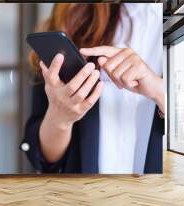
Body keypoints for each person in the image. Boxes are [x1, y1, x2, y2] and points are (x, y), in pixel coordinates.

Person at [20, 3, 164, 174]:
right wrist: (60, 119)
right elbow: (43, 158)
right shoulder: (75, 15)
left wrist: (160, 92)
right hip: (85, 197)